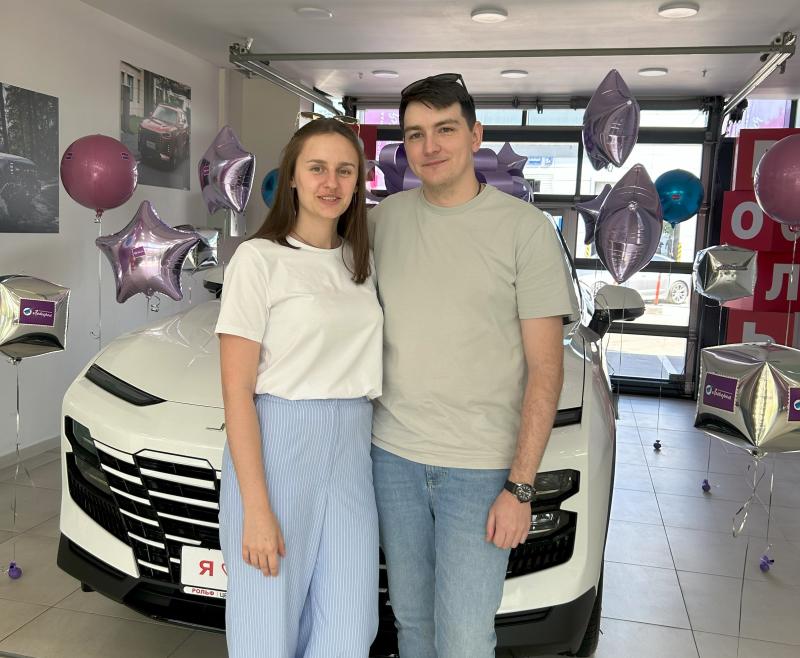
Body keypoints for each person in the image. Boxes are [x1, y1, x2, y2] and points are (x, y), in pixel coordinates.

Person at [369, 74, 579, 657]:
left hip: (481, 471)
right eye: (416, 134)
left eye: (445, 129)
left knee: (464, 638)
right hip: (393, 459)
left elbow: (546, 370)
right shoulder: (382, 221)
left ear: (475, 135)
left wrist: (520, 486)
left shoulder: (525, 230)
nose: (430, 146)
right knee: (412, 624)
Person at [215, 117, 383, 658]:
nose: (331, 182)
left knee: (350, 627)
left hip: (353, 445)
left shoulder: (360, 262)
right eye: (317, 168)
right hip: (281, 441)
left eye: (344, 171)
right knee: (267, 624)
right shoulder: (258, 260)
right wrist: (256, 509)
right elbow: (237, 392)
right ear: (291, 176)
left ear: (358, 182)